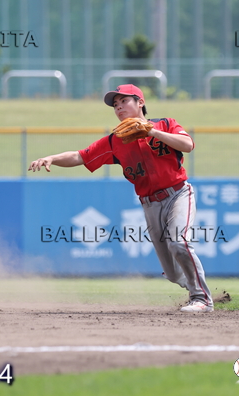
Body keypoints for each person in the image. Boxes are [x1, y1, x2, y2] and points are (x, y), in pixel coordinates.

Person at [28, 84, 213, 313]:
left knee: (178, 242)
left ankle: (202, 298)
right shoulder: (116, 142)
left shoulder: (165, 124)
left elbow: (188, 145)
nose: (118, 107)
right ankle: (194, 284)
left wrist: (151, 132)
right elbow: (80, 156)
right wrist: (52, 158)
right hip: (150, 204)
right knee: (173, 273)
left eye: (124, 101)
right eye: (115, 105)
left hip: (178, 194)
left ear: (140, 102)